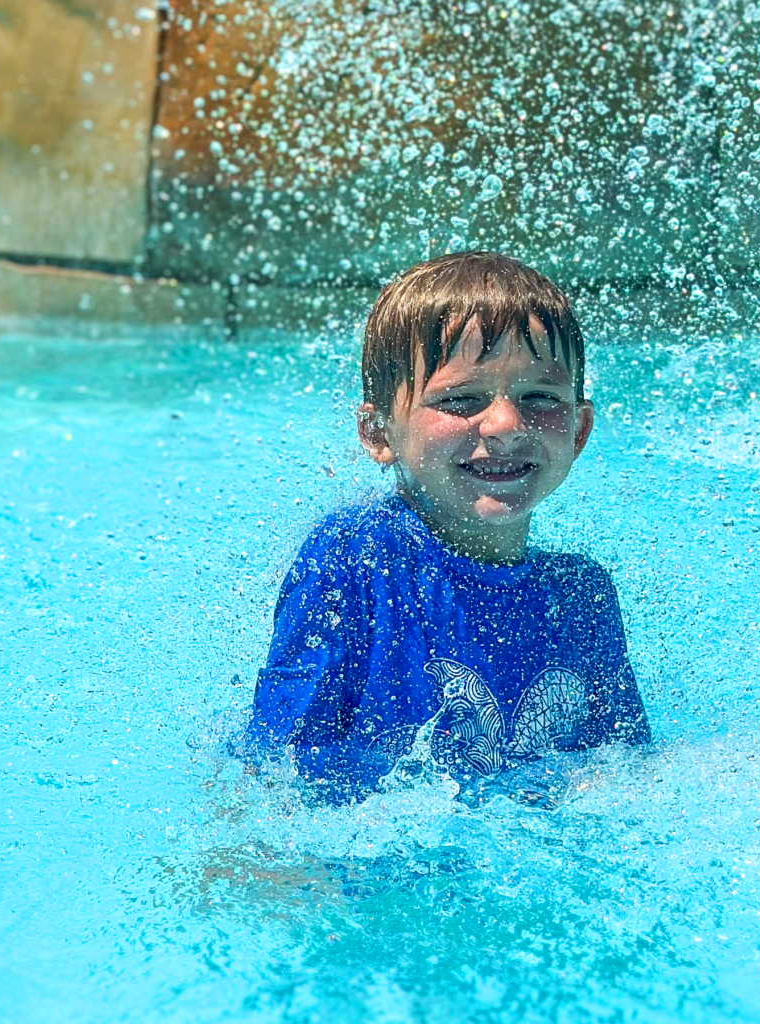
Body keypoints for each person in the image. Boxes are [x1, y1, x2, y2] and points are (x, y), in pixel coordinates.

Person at [248, 251, 649, 801]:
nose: (507, 425)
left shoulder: (582, 599)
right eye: (461, 399)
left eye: (540, 397)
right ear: (378, 433)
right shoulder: (355, 559)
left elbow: (628, 779)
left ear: (578, 431)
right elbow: (275, 772)